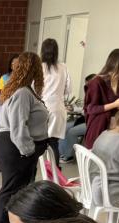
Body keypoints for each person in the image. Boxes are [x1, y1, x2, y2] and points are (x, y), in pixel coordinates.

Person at [0, 52, 49, 223]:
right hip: (16, 148)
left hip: (18, 147)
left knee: (20, 190)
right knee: (10, 189)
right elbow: (18, 126)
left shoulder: (25, 89)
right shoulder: (23, 92)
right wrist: (28, 152)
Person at [83, 48, 119, 148]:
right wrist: (114, 105)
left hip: (118, 130)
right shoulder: (96, 83)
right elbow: (91, 109)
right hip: (99, 129)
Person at [40, 39, 72, 167]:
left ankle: (32, 176)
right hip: (58, 109)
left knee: (39, 143)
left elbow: (33, 89)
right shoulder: (63, 67)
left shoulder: (39, 66)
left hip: (41, 108)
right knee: (54, 143)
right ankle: (55, 174)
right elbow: (68, 89)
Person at [59, 74, 96, 163]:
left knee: (72, 132)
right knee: (64, 127)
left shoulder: (98, 94)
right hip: (84, 119)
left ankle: (68, 156)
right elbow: (85, 108)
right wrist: (73, 109)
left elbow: (90, 110)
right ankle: (61, 153)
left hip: (93, 122)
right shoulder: (90, 93)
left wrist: (77, 110)